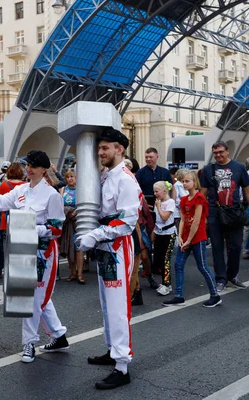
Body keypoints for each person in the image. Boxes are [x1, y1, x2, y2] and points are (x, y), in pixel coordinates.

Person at [0, 151, 69, 364]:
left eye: (33, 165)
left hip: (43, 252)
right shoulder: (21, 190)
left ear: (43, 169)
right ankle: (58, 335)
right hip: (21, 247)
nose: (28, 169)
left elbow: (57, 229)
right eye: (27, 165)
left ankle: (29, 342)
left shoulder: (52, 195)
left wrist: (31, 227)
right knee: (34, 296)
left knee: (33, 298)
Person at [76, 128, 140, 390]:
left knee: (117, 307)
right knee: (105, 303)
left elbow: (127, 221)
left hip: (117, 246)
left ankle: (122, 365)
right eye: (99, 148)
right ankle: (112, 350)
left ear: (120, 149)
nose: (100, 152)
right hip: (105, 246)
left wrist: (96, 234)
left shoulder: (125, 179)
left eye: (106, 148)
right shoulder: (105, 175)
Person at [200, 141, 249, 292]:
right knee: (217, 247)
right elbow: (202, 195)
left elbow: (248, 190)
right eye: (215, 153)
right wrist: (201, 216)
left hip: (234, 212)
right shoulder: (208, 170)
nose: (218, 155)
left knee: (236, 246)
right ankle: (221, 279)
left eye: (221, 152)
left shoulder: (239, 167)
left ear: (227, 152)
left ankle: (232, 276)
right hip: (214, 212)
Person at [162, 170, 222, 308]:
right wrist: (181, 237)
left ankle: (215, 295)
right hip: (187, 237)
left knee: (202, 266)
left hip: (198, 237)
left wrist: (188, 240)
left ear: (195, 182)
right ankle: (179, 295)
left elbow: (197, 221)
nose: (184, 183)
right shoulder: (184, 199)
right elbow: (182, 220)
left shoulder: (199, 198)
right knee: (178, 265)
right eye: (183, 181)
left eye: (187, 181)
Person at [59, 169, 85, 283]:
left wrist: (75, 212)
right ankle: (72, 272)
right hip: (67, 221)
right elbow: (59, 204)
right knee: (69, 246)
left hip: (78, 221)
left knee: (78, 248)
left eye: (72, 177)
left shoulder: (82, 190)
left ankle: (80, 274)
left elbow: (84, 203)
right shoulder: (63, 189)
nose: (70, 179)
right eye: (68, 177)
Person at [152, 181, 177, 296]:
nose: (155, 194)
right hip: (159, 233)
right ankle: (164, 282)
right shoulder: (158, 202)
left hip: (169, 234)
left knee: (166, 260)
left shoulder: (170, 202)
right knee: (159, 259)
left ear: (164, 191)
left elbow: (164, 217)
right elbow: (157, 220)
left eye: (157, 191)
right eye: (154, 191)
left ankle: (167, 284)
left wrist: (158, 206)